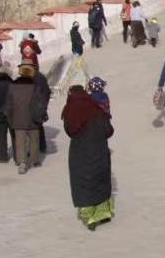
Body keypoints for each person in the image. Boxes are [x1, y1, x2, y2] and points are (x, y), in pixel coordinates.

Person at [63, 85, 115, 230]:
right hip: (99, 149)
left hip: (80, 152)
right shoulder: (95, 108)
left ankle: (90, 217)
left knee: (83, 181)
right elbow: (109, 130)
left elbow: (70, 131)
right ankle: (103, 214)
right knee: (101, 179)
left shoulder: (69, 110)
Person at [4, 65, 46, 174]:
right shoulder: (35, 86)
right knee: (34, 141)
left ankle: (22, 163)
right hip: (33, 118)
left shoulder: (12, 86)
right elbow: (41, 102)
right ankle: (34, 160)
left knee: (20, 143)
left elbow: (9, 105)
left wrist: (9, 118)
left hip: (18, 119)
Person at [32, 65, 52, 154]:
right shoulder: (41, 77)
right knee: (39, 125)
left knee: (34, 126)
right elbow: (48, 91)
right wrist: (45, 104)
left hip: (35, 104)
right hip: (41, 104)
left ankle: (36, 147)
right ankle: (42, 146)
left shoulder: (33, 78)